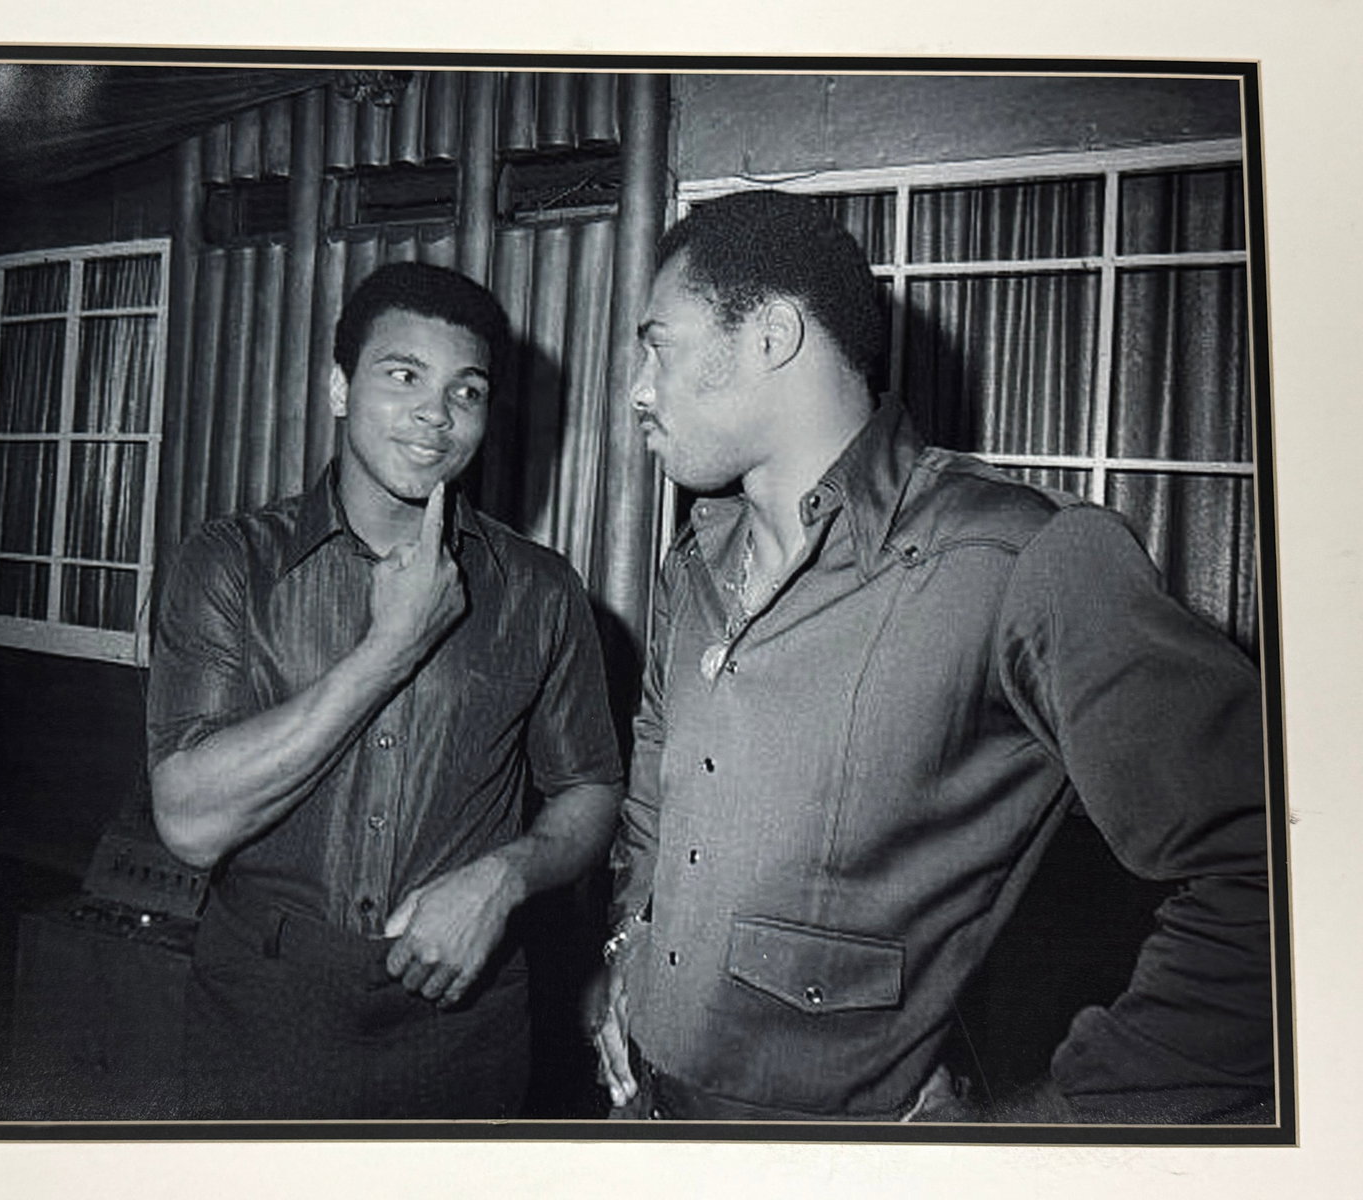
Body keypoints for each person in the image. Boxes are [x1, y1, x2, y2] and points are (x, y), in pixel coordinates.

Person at [591, 189, 1273, 1123]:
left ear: (772, 336)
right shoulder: (693, 562)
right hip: (641, 1115)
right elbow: (654, 804)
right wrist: (627, 950)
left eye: (658, 347)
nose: (638, 390)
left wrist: (1045, 1130)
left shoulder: (1019, 559)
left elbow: (1276, 871)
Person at [148, 261, 622, 1120]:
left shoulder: (542, 590)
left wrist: (505, 877)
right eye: (404, 376)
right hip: (260, 1009)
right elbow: (187, 822)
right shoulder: (230, 564)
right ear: (340, 388)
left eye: (466, 391)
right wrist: (390, 647)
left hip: (464, 1022)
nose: (436, 415)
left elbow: (591, 787)